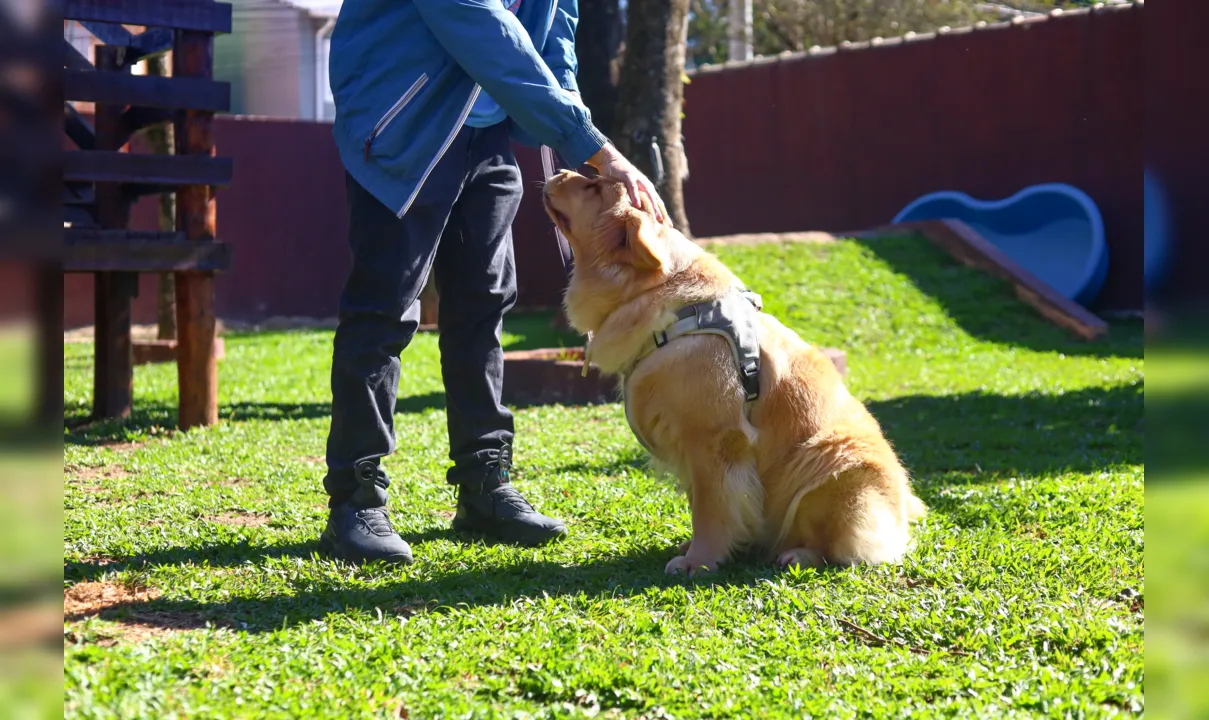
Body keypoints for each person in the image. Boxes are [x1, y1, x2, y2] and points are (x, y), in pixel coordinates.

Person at [318, 0, 669, 565]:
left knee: (484, 307)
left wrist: (573, 125)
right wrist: (597, 147)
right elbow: (484, 28)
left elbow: (555, 40)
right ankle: (355, 501)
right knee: (384, 310)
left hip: (486, 137)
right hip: (403, 127)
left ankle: (484, 485)